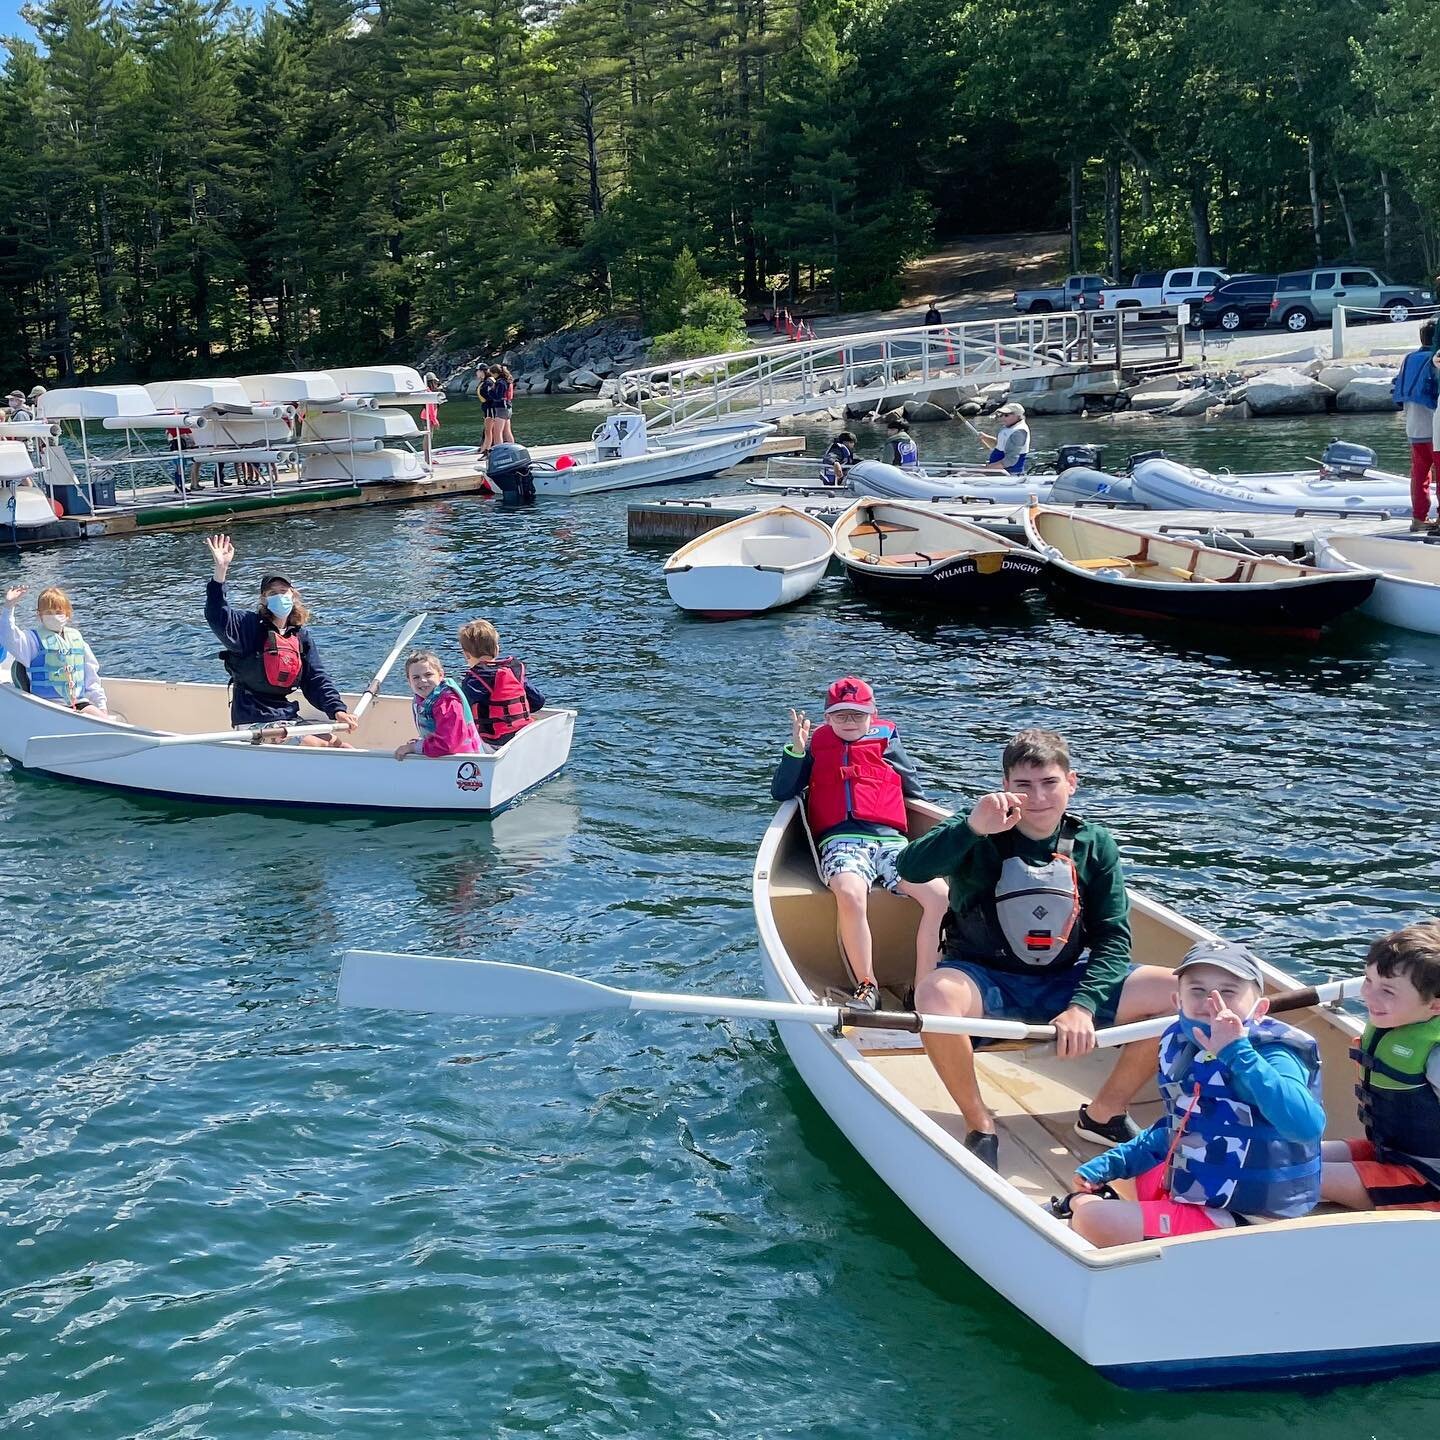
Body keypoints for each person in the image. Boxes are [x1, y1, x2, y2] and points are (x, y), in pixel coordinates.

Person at [896, 728, 1177, 1170]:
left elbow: (1113, 936)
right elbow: (910, 867)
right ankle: (979, 1123)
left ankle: (1105, 1114)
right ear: (1006, 786)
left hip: (1065, 982)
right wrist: (971, 827)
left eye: (1049, 782)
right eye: (1024, 785)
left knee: (1180, 994)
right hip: (987, 981)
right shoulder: (976, 828)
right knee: (935, 995)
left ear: (1071, 782)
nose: (1039, 796)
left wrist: (1084, 1006)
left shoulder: (1094, 844)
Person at [1067, 941, 1324, 1246]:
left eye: (1228, 992)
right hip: (1206, 1192)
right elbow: (1178, 1127)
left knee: (1089, 1216)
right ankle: (1149, 1219)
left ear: (1260, 1009)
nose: (1210, 1001)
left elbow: (1306, 1126)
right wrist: (1112, 1163)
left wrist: (1238, 1053)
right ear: (1178, 1001)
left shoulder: (1274, 1054)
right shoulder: (1182, 1042)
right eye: (1197, 990)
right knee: (1135, 1171)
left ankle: (1091, 1212)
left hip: (1252, 1219)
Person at [771, 677, 951, 1013]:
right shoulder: (815, 745)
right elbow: (783, 791)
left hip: (891, 842)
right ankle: (867, 987)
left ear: (873, 715)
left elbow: (914, 791)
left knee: (940, 895)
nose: (849, 722)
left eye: (857, 715)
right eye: (840, 716)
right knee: (851, 892)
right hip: (842, 842)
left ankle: (924, 987)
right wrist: (796, 750)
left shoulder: (887, 741)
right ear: (827, 718)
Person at [1320, 922, 1440, 1213]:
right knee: (1280, 1153)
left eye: (1387, 990)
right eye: (1368, 981)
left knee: (1286, 1177)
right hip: (1389, 1154)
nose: (1368, 996)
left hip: (1427, 1181)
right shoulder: (1397, 1021)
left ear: (1435, 1007)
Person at [203, 534, 358, 746]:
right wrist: (220, 572)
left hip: (285, 714)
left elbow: (316, 679)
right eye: (272, 592)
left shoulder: (300, 636)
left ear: (293, 596)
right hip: (253, 718)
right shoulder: (247, 627)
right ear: (263, 599)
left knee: (341, 745)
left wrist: (337, 709)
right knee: (316, 745)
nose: (279, 596)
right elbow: (217, 615)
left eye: (283, 591)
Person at [1, 584, 107, 712]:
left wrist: (101, 705)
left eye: (58, 612)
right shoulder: (31, 640)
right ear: (39, 616)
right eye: (48, 613)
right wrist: (9, 606)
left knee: (101, 718)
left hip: (78, 702)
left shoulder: (77, 639)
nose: (54, 616)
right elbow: (8, 636)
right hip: (46, 707)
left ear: (67, 614)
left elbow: (91, 677)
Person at [458, 618, 544, 746]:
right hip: (523, 735)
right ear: (497, 649)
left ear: (466, 655)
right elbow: (538, 701)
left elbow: (462, 714)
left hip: (493, 743)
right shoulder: (513, 671)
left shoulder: (473, 680)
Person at [394, 650, 485, 761]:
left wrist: (413, 747)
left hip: (463, 762)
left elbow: (447, 745)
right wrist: (420, 743)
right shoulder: (424, 698)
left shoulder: (447, 703)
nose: (422, 680)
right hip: (445, 757)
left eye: (428, 674)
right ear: (409, 681)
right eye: (416, 677)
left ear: (441, 675)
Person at [1393, 320, 1437, 531]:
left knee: (1420, 475)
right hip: (1435, 429)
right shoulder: (1434, 360)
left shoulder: (1409, 359)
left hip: (1414, 428)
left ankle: (1419, 518)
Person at [977, 402, 1030, 474]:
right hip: (997, 471)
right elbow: (1000, 445)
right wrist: (985, 438)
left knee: (965, 474)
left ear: (1017, 415)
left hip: (1008, 474)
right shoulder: (1010, 427)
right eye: (1001, 415)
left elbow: (1010, 460)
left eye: (1006, 415)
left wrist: (985, 469)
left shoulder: (1019, 432)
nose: (1002, 418)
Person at [494, 364, 516, 446]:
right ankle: (512, 448)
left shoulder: (500, 382)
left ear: (496, 373)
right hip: (508, 407)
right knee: (507, 431)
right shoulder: (508, 380)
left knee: (497, 432)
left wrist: (490, 391)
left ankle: (498, 449)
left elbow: (498, 396)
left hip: (501, 408)